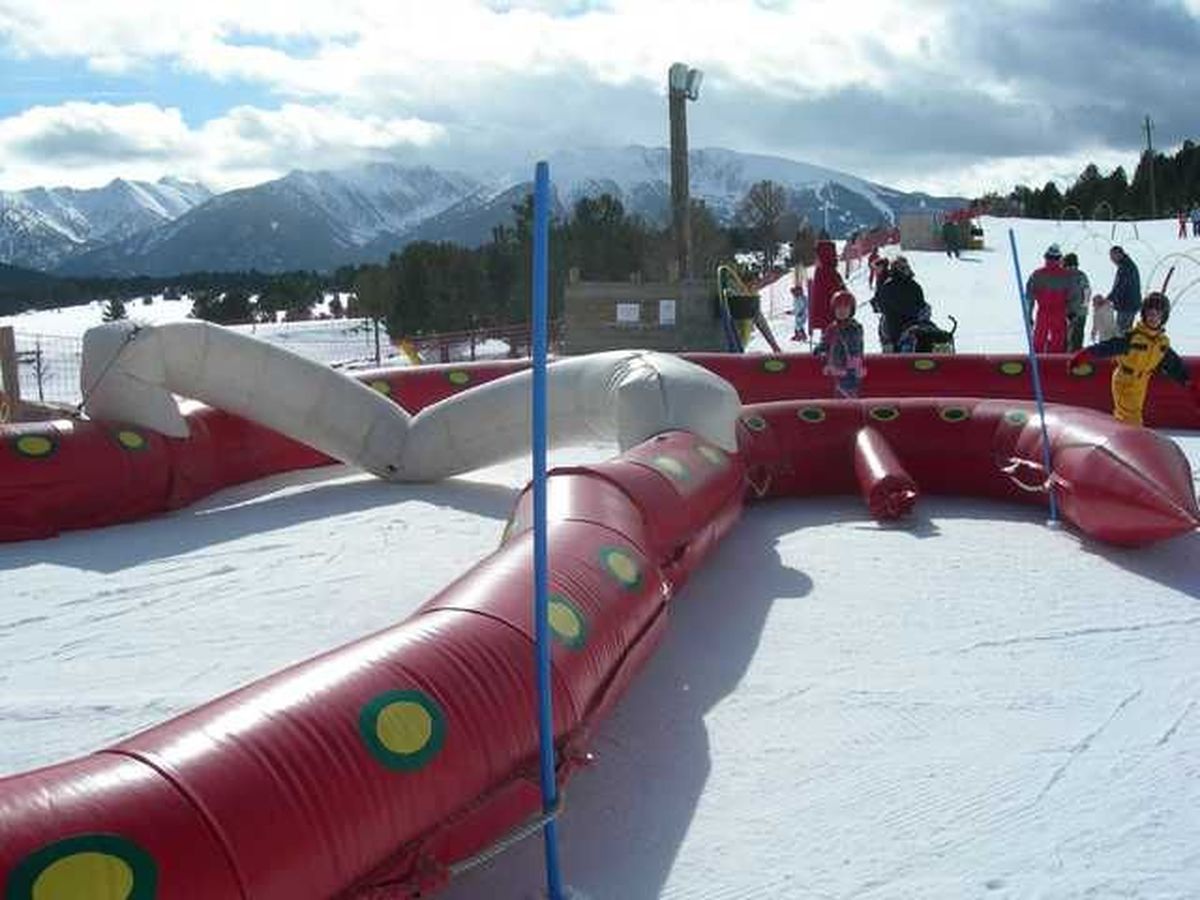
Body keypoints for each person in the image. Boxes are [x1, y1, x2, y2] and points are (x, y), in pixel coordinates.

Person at [1069, 292, 1200, 426]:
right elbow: (1107, 347)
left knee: (1126, 418)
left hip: (1141, 384)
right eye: (1150, 314)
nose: (1153, 318)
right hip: (1125, 381)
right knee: (1132, 420)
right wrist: (1083, 355)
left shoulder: (1161, 344)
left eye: (1157, 315)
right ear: (1144, 315)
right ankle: (1132, 442)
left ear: (1163, 317)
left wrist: (1189, 385)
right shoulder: (1132, 339)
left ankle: (1120, 440)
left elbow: (1174, 366)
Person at [815, 289, 865, 398]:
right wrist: (820, 349)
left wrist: (852, 369)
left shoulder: (854, 328)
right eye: (838, 308)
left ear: (851, 310)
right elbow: (825, 342)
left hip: (849, 373)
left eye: (845, 308)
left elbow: (855, 349)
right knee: (837, 397)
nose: (841, 311)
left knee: (848, 396)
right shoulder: (832, 328)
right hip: (834, 371)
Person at [874, 255, 928, 352]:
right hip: (897, 327)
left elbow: (921, 303)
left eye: (906, 267)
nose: (905, 270)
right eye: (902, 267)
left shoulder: (914, 286)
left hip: (914, 324)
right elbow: (884, 305)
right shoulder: (889, 286)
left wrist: (923, 311)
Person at [1024, 243, 1072, 353]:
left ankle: (1037, 363)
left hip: (1045, 313)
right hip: (1059, 313)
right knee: (1057, 342)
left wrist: (1029, 314)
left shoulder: (1037, 275)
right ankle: (1055, 364)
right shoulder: (1066, 276)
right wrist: (1071, 312)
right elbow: (1073, 296)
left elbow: (1029, 297)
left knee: (1039, 341)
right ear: (1060, 259)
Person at [807, 238, 845, 343]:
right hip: (825, 323)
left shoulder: (831, 275)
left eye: (817, 256)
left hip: (832, 322)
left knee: (831, 346)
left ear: (824, 256)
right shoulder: (820, 272)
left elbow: (841, 297)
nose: (815, 259)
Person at [1106, 245, 1141, 333]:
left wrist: (1109, 299)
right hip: (1128, 304)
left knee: (1122, 331)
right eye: (1111, 257)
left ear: (1119, 254)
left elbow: (1120, 287)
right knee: (1125, 330)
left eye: (1113, 256)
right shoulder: (1125, 265)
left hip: (1127, 305)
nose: (1112, 259)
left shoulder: (1126, 267)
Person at [1062, 252, 1090, 352]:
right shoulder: (1082, 276)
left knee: (1073, 340)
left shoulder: (1071, 277)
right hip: (1077, 314)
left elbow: (1085, 295)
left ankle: (1070, 361)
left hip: (1074, 314)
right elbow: (1087, 295)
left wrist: (1077, 311)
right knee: (1075, 339)